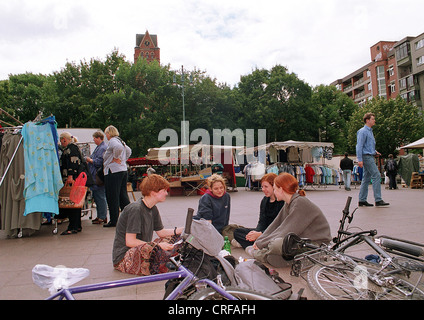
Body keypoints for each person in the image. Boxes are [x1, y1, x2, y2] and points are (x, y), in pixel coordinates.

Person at [246, 173, 331, 267]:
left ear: (281, 189)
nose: (274, 192)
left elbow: (287, 230)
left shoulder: (300, 203)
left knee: (277, 244)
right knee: (273, 256)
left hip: (315, 244)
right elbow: (276, 225)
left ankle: (259, 254)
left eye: (274, 189)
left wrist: (262, 243)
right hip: (301, 240)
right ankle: (266, 255)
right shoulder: (289, 203)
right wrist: (260, 240)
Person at [112, 174, 184, 276]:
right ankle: (160, 262)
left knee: (174, 238)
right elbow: (130, 241)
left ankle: (162, 261)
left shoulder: (152, 208)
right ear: (153, 192)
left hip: (143, 248)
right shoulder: (135, 209)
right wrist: (158, 245)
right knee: (151, 247)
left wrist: (181, 230)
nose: (166, 193)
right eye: (164, 190)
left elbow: (161, 232)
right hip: (125, 256)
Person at [233, 173, 284, 249]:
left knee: (275, 240)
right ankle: (258, 244)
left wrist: (261, 234)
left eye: (266, 187)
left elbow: (280, 226)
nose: (263, 189)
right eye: (262, 187)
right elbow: (262, 221)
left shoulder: (282, 202)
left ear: (274, 186)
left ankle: (256, 244)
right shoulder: (265, 200)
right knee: (237, 232)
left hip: (275, 233)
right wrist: (256, 233)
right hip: (263, 231)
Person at [356, 113, 389, 207]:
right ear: (367, 120)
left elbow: (367, 145)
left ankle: (362, 200)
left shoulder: (370, 131)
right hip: (366, 156)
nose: (374, 121)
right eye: (373, 119)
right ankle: (378, 199)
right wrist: (360, 159)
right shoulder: (363, 131)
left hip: (369, 155)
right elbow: (359, 146)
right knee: (376, 175)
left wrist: (374, 151)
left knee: (366, 178)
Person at [103, 125, 132, 227]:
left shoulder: (113, 141)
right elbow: (128, 150)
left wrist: (116, 158)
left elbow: (118, 148)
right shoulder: (121, 141)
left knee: (112, 196)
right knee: (122, 195)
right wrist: (123, 160)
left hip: (113, 171)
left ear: (108, 133)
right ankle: (130, 217)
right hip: (122, 170)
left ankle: (114, 220)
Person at [58, 132, 84, 235]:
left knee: (72, 202)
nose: (61, 142)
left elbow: (73, 163)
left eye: (61, 140)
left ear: (65, 139)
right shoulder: (74, 147)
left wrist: (70, 176)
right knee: (76, 202)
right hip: (75, 178)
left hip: (72, 179)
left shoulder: (71, 148)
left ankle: (73, 226)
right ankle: (76, 225)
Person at [86, 131, 108, 224]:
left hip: (98, 176)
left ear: (99, 138)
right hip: (96, 176)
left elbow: (99, 161)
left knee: (100, 196)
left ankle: (102, 216)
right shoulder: (100, 147)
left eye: (94, 138)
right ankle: (100, 216)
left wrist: (90, 160)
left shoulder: (102, 148)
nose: (94, 140)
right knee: (97, 196)